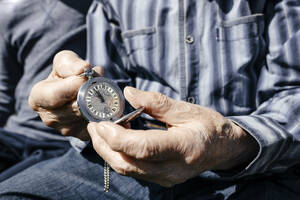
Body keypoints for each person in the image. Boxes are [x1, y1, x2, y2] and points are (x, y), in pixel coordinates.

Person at [1, 0, 300, 199]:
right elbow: (110, 91)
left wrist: (229, 142)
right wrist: (78, 110)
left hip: (256, 173)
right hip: (126, 171)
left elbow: (293, 92)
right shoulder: (110, 5)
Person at [0, 0, 92, 181]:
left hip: (62, 142)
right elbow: (3, 92)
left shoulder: (106, 8)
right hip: (14, 136)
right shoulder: (10, 9)